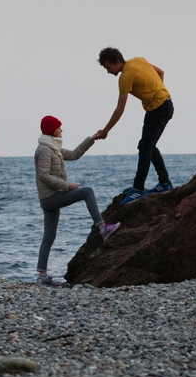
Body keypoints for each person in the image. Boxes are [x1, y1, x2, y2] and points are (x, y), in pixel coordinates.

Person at [34, 115, 121, 287]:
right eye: (59, 127)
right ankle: (102, 228)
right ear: (52, 130)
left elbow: (74, 154)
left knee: (49, 236)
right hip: (51, 198)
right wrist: (66, 185)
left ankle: (41, 276)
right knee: (87, 192)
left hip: (50, 197)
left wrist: (91, 139)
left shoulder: (53, 147)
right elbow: (43, 176)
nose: (62, 130)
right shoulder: (44, 150)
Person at [94, 47, 175, 205]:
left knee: (145, 146)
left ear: (117, 61)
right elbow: (161, 72)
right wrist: (157, 92)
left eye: (109, 67)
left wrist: (105, 131)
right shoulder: (139, 60)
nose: (108, 72)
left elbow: (120, 109)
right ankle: (165, 183)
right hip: (165, 104)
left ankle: (138, 189)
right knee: (149, 145)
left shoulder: (125, 78)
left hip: (158, 109)